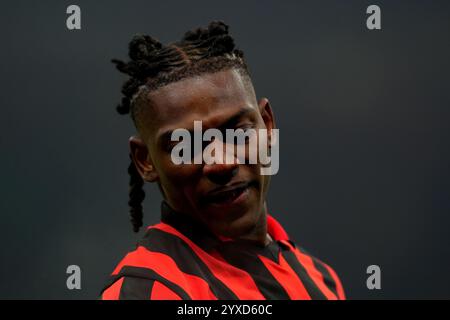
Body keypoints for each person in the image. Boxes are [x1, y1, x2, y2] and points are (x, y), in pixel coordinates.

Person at [100, 21, 345, 300]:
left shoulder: (322, 280)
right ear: (145, 161)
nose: (221, 163)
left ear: (267, 125)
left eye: (238, 132)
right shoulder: (149, 291)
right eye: (185, 145)